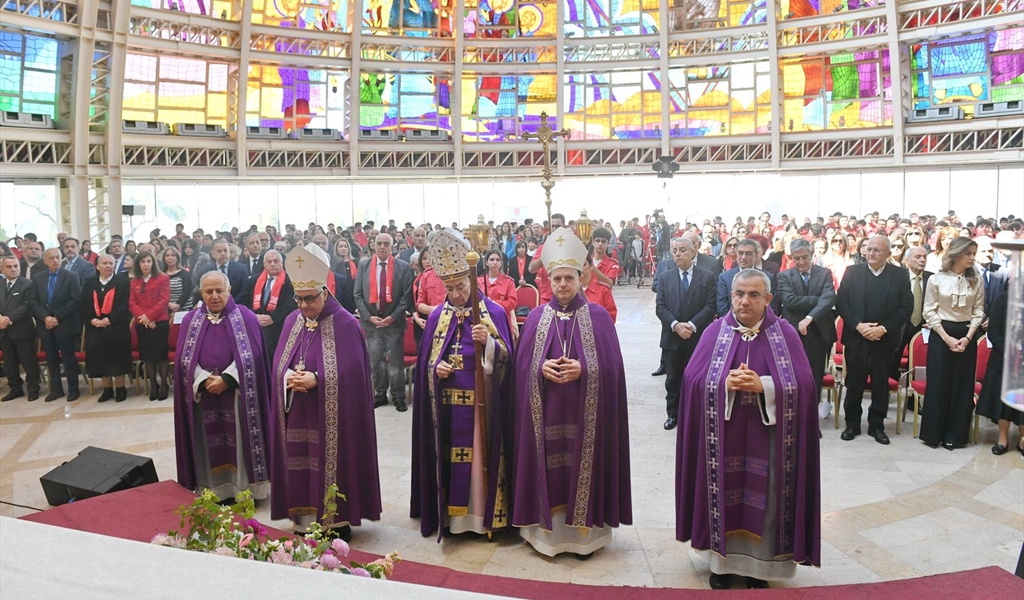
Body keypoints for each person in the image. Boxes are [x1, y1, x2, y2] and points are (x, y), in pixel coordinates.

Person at [676, 269, 821, 589]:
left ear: (768, 299)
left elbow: (806, 387)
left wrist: (764, 386)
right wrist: (721, 383)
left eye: (754, 295)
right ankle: (721, 566)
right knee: (723, 496)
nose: (745, 301)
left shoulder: (785, 333)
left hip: (769, 442)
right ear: (731, 297)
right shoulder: (715, 332)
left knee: (766, 499)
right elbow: (692, 381)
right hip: (723, 440)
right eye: (739, 294)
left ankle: (763, 569)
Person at [512, 227, 631, 558]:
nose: (562, 285)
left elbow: (614, 370)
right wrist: (539, 369)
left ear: (582, 277)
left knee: (583, 464)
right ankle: (543, 536)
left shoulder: (598, 318)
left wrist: (587, 369)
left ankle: (585, 538)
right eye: (557, 279)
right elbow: (521, 370)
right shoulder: (536, 317)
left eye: (569, 278)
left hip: (585, 416)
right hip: (547, 412)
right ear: (548, 280)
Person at [271, 247, 381, 540]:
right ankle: (303, 519)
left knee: (329, 461)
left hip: (332, 418)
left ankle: (335, 521)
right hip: (297, 411)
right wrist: (288, 378)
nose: (304, 305)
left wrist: (318, 378)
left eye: (310, 299)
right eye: (299, 298)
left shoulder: (345, 323)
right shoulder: (292, 321)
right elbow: (279, 365)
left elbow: (355, 374)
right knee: (300, 460)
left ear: (325, 292)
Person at [411, 230, 515, 539]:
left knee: (478, 468)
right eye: (450, 288)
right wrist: (435, 368)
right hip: (446, 408)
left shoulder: (492, 313)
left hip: (480, 410)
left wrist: (490, 347)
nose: (456, 294)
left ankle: (479, 518)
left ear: (472, 281)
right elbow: (425, 365)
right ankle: (452, 520)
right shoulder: (437, 317)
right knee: (448, 461)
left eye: (460, 286)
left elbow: (510, 364)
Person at [173, 270, 272, 502]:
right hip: (204, 395)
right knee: (206, 446)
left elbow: (255, 355)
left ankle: (243, 491)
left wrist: (227, 379)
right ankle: (214, 490)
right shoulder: (191, 320)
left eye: (220, 290)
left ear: (229, 291)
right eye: (209, 291)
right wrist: (203, 380)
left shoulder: (245, 317)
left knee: (239, 443)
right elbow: (183, 360)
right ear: (201, 293)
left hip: (237, 396)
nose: (215, 296)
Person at [835, 235, 914, 445]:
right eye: (868, 249)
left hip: (885, 339)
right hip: (856, 336)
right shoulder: (853, 272)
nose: (871, 253)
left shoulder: (899, 274)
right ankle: (852, 424)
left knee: (881, 383)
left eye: (877, 250)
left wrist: (883, 329)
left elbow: (906, 307)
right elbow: (842, 302)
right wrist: (859, 326)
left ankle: (876, 425)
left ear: (888, 254)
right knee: (854, 382)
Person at [919, 237, 986, 450]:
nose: (972, 258)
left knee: (962, 386)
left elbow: (978, 311)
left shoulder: (977, 280)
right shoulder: (936, 279)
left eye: (974, 253)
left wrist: (968, 337)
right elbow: (929, 311)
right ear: (956, 254)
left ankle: (955, 436)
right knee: (939, 384)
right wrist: (946, 337)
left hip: (967, 335)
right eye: (969, 253)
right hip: (941, 334)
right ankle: (933, 434)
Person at [655, 237, 717, 431]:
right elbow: (660, 307)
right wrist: (675, 325)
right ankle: (673, 415)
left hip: (697, 337)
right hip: (672, 337)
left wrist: (691, 325)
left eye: (682, 250)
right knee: (673, 379)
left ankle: (696, 415)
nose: (678, 254)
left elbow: (710, 306)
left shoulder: (706, 276)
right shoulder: (665, 277)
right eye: (674, 251)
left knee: (697, 377)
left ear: (693, 252)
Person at [777, 238, 837, 420]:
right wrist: (816, 299)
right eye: (797, 258)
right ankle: (792, 416)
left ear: (812, 255)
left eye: (805, 257)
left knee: (814, 377)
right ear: (791, 258)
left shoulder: (825, 273)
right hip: (793, 333)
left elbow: (829, 299)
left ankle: (811, 420)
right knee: (792, 376)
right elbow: (789, 301)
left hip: (818, 333)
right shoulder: (784, 276)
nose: (801, 262)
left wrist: (810, 316)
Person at [354, 233, 415, 412]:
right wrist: (369, 317)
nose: (382, 246)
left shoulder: (402, 267)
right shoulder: (364, 265)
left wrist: (393, 317)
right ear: (373, 245)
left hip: (393, 323)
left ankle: (398, 396)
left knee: (395, 362)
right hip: (372, 323)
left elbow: (406, 297)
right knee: (376, 362)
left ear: (392, 246)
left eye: (385, 244)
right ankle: (380, 394)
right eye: (378, 243)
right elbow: (357, 294)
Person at [975, 282, 1022, 455]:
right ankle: (1003, 439)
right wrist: (1011, 352)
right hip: (1004, 360)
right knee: (1003, 404)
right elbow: (993, 331)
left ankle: (1022, 439)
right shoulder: (1003, 299)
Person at [78, 255, 132, 403]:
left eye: (111, 263)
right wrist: (92, 320)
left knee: (117, 359)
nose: (108, 266)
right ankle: (107, 390)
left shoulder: (122, 283)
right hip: (95, 328)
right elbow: (83, 305)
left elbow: (125, 306)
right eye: (104, 263)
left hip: (117, 327)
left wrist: (110, 319)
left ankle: (121, 389)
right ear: (97, 266)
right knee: (101, 360)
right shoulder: (89, 283)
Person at [32, 248, 82, 402]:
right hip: (45, 325)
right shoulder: (38, 278)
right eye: (51, 258)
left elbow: (75, 300)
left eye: (58, 257)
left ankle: (73, 389)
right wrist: (46, 317)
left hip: (65, 324)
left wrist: (56, 317)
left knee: (68, 358)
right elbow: (33, 301)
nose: (55, 260)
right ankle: (56, 390)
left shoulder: (71, 276)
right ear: (45, 260)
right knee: (51, 359)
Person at [129, 251, 171, 401]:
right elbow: (132, 303)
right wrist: (144, 318)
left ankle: (164, 384)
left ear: (153, 262)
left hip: (159, 322)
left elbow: (164, 300)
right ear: (138, 264)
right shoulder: (134, 281)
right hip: (142, 323)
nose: (146, 264)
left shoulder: (163, 278)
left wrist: (149, 316)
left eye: (148, 261)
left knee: (161, 355)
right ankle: (153, 385)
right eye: (142, 262)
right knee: (147, 356)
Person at [239, 249, 296, 360]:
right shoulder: (253, 280)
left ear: (282, 263)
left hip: (279, 330)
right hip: (256, 329)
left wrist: (273, 317)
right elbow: (243, 302)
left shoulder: (291, 281)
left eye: (276, 261)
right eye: (269, 262)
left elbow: (292, 304)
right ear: (264, 264)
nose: (272, 264)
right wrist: (253, 317)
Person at [0, 256, 41, 402]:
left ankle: (33, 388)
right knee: (9, 363)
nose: (13, 269)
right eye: (9, 267)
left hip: (22, 330)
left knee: (28, 361)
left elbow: (26, 306)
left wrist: (8, 319)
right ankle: (15, 389)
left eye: (15, 266)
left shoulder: (28, 284)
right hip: (4, 332)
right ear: (2, 269)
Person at [527, 213, 567, 304]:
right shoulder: (543, 247)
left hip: (566, 296)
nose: (554, 229)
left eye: (558, 226)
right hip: (548, 297)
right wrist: (545, 255)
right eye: (552, 226)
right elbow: (531, 268)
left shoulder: (571, 246)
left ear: (564, 227)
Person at [479, 249, 518, 336]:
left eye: (498, 260)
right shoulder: (479, 282)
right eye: (492, 260)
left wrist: (493, 303)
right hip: (484, 323)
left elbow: (512, 302)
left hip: (502, 322)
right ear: (486, 263)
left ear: (501, 263)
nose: (495, 262)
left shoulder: (509, 281)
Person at [580, 255, 618, 323]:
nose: (580, 269)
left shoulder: (603, 290)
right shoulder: (568, 290)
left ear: (591, 266)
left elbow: (611, 317)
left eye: (584, 264)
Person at [163, 247, 193, 318]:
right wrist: (169, 305)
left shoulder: (185, 274)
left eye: (173, 255)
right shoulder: (161, 275)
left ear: (177, 258)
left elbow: (186, 293)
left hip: (184, 309)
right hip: (166, 309)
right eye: (167, 255)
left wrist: (176, 307)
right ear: (164, 259)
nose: (170, 258)